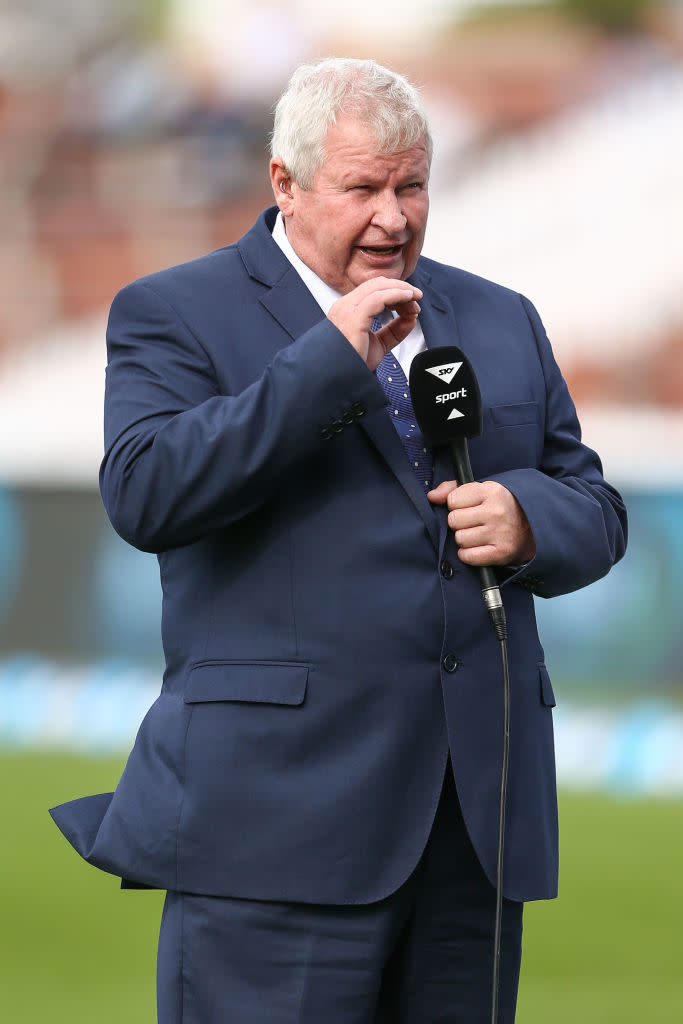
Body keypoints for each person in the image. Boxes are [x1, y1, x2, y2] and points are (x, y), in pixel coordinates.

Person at [51, 57, 627, 1023]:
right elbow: (146, 492)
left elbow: (594, 506)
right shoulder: (174, 309)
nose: (393, 217)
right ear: (284, 182)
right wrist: (329, 363)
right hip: (272, 831)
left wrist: (528, 518)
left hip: (470, 832)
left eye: (411, 186)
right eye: (362, 189)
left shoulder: (497, 315)